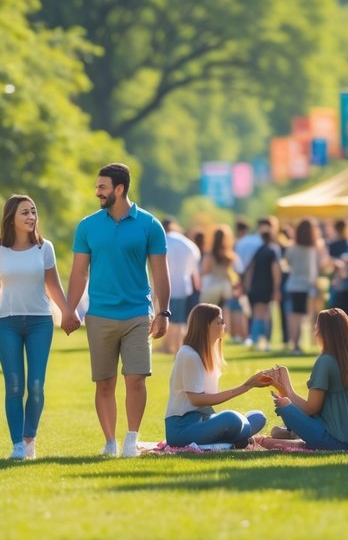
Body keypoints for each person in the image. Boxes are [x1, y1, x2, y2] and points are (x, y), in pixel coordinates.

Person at [65, 163, 170, 458]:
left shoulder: (149, 225)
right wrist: (69, 309)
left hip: (138, 313)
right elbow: (78, 274)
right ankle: (110, 442)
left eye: (102, 187)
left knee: (136, 378)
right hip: (99, 314)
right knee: (104, 382)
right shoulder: (87, 226)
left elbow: (160, 273)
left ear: (119, 189)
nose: (97, 192)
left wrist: (164, 313)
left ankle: (130, 440)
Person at [0, 195, 75, 460]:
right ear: (11, 218)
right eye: (25, 213)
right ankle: (16, 445)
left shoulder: (45, 248)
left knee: (35, 384)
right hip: (7, 321)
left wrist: (67, 311)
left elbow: (53, 285)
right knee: (13, 385)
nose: (31, 217)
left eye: (33, 212)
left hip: (39, 322)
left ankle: (29, 437)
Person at [262, 308, 348, 450]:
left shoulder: (325, 361)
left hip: (337, 442)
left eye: (317, 328)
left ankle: (284, 436)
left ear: (324, 333)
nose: (315, 332)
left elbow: (311, 409)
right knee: (288, 412)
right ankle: (290, 433)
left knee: (285, 407)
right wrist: (283, 388)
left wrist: (287, 392)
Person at [164, 303, 271, 448]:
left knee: (258, 417)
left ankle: (231, 441)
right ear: (205, 326)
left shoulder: (209, 356)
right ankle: (234, 440)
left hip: (203, 420)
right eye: (219, 322)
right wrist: (247, 386)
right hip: (181, 427)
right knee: (231, 419)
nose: (224, 326)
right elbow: (196, 400)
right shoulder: (189, 355)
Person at [284, 219, 327, 354]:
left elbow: (287, 263)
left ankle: (295, 344)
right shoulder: (316, 248)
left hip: (294, 285)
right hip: (310, 286)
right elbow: (322, 265)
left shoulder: (292, 247)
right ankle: (315, 343)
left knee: (295, 316)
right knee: (310, 316)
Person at [162, 219, 201, 354]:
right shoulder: (185, 242)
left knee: (167, 316)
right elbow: (195, 259)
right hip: (184, 285)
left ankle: (169, 345)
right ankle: (176, 344)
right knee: (179, 318)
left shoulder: (164, 240)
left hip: (167, 284)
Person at [243, 220, 282, 353]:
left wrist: (248, 285)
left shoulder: (258, 250)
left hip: (256, 285)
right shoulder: (273, 251)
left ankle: (254, 339)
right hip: (267, 285)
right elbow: (275, 270)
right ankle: (264, 341)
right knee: (265, 313)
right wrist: (277, 288)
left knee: (257, 313)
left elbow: (250, 269)